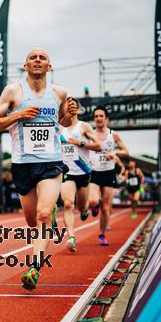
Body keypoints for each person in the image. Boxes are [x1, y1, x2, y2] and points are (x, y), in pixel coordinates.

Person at [0, 47, 78, 290]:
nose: (37, 60)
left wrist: (69, 116)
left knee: (43, 216)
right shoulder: (13, 91)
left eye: (43, 58)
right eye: (32, 58)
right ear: (25, 66)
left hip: (51, 162)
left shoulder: (59, 93)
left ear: (49, 66)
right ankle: (49, 216)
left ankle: (34, 269)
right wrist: (17, 116)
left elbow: (62, 123)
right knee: (31, 220)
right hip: (23, 164)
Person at [60, 100, 101, 253]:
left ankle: (84, 211)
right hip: (67, 172)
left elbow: (98, 146)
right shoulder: (60, 128)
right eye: (66, 107)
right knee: (68, 204)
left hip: (83, 172)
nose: (68, 110)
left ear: (77, 110)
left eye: (71, 107)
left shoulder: (83, 126)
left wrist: (80, 142)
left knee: (83, 205)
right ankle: (71, 237)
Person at [87, 106, 129, 246]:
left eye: (101, 116)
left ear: (106, 118)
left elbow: (126, 151)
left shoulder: (113, 135)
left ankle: (102, 234)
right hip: (94, 172)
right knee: (93, 201)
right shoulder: (89, 134)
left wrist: (115, 153)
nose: (98, 118)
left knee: (105, 208)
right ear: (94, 119)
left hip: (109, 172)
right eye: (96, 116)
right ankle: (94, 206)